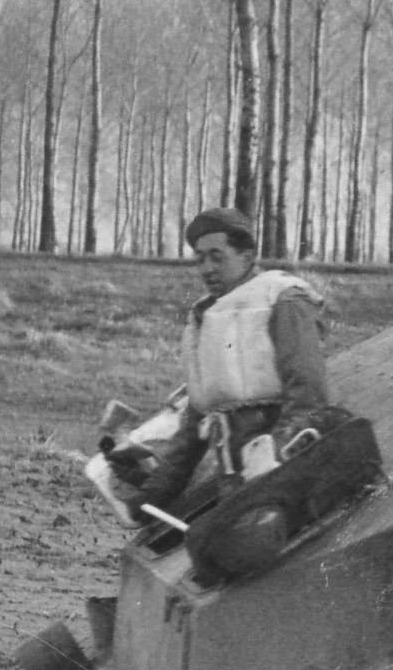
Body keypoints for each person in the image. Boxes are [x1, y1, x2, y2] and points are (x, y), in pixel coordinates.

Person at [99, 208, 334, 525]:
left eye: (216, 256)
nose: (207, 268)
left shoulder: (284, 299)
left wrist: (273, 459)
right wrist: (150, 497)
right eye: (200, 259)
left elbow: (309, 395)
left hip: (289, 472)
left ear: (247, 254)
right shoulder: (205, 318)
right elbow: (195, 422)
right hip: (235, 479)